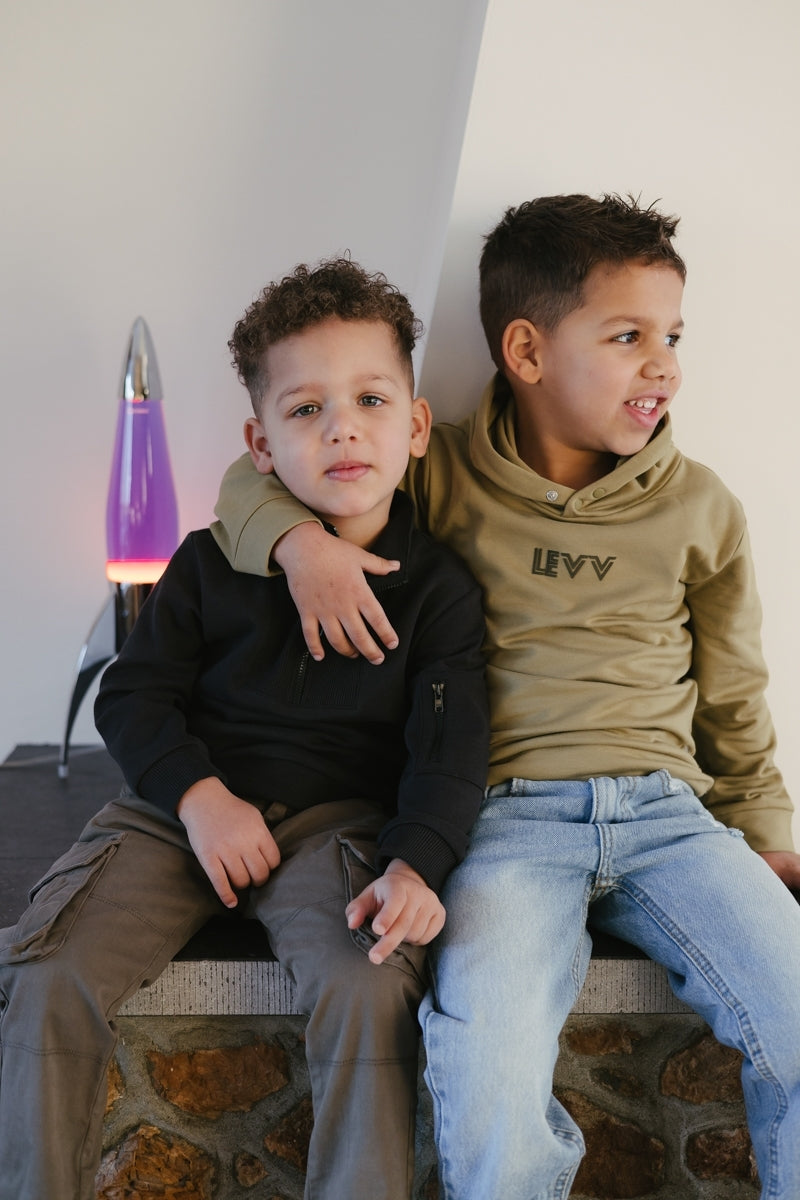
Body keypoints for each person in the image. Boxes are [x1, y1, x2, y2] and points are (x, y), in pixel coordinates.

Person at [210, 195, 800, 1199]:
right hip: (503, 820)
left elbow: (733, 691)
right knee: (485, 1069)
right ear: (526, 351)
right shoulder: (438, 474)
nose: (662, 365)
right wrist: (301, 546)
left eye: (671, 336)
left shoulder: (701, 507)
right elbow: (243, 483)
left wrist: (765, 829)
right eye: (627, 337)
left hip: (670, 819)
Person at [0, 258, 489, 1200]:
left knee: (370, 984)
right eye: (306, 410)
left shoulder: (440, 592)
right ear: (260, 444)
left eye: (371, 399)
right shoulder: (206, 563)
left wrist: (416, 864)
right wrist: (199, 798)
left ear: (418, 426)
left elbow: (451, 748)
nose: (342, 427)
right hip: (176, 816)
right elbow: (132, 696)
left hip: (336, 826)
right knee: (47, 968)